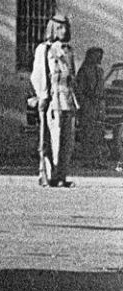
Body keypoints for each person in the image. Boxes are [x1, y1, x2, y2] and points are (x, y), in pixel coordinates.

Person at [30, 13, 80, 187]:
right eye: (59, 27)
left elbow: (72, 75)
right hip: (53, 98)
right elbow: (38, 75)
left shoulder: (69, 50)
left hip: (68, 98)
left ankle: (62, 175)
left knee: (68, 139)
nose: (63, 30)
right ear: (52, 28)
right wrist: (42, 95)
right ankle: (51, 175)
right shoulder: (44, 49)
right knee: (53, 138)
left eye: (65, 27)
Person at [73, 46, 107, 168]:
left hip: (99, 106)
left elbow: (102, 89)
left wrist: (101, 104)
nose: (99, 58)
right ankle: (88, 160)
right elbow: (79, 90)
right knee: (87, 133)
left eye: (100, 56)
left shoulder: (100, 71)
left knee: (98, 134)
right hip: (88, 106)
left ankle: (98, 160)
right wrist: (84, 105)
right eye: (96, 55)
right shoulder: (84, 71)